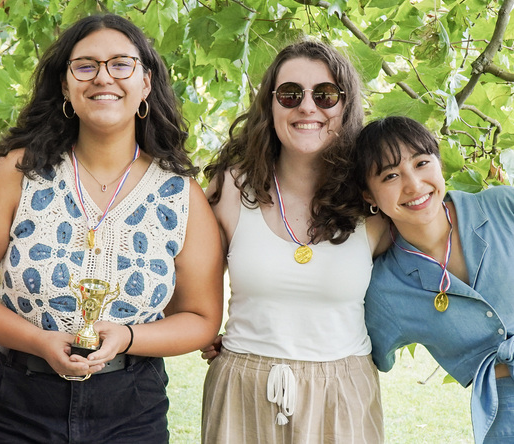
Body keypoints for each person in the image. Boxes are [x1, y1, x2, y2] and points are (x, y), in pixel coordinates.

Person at [0, 14, 223, 443]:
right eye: (86, 66)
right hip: (13, 403)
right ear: (65, 86)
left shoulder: (179, 194)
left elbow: (201, 318)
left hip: (130, 410)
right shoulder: (18, 172)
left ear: (146, 83)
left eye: (121, 64)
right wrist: (39, 341)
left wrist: (127, 337)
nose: (103, 77)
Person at [200, 40, 388, 443]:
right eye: (290, 94)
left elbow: (426, 267)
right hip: (243, 389)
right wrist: (203, 329)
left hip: (343, 395)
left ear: (345, 105)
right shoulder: (230, 187)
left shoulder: (374, 199)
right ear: (270, 105)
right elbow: (187, 281)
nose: (307, 107)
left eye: (325, 95)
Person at [351, 116, 514, 444]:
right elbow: (352, 354)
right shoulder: (385, 289)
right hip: (505, 416)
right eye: (391, 176)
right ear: (369, 196)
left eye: (422, 163)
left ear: (439, 163)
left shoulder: (504, 206)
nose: (413, 185)